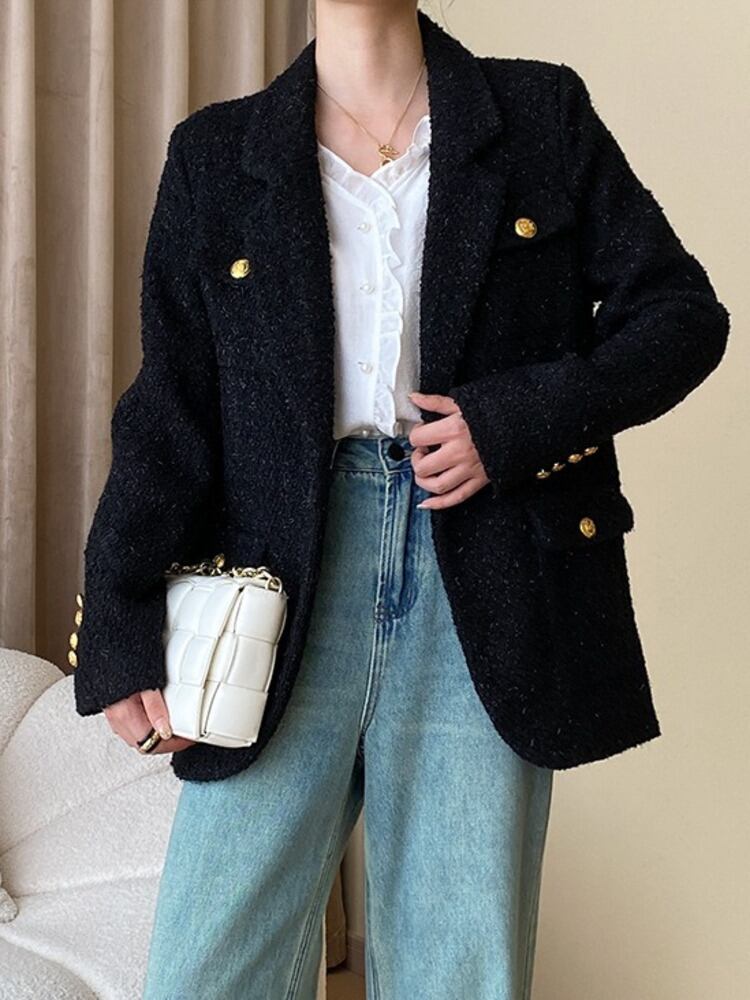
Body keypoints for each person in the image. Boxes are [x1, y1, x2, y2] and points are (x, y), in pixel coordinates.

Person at [70, 2, 730, 998]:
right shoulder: (216, 154)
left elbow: (680, 316)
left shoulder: (540, 114)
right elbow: (172, 408)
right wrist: (118, 618)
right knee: (207, 970)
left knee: (456, 971)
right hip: (281, 585)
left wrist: (510, 424)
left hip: (489, 573)